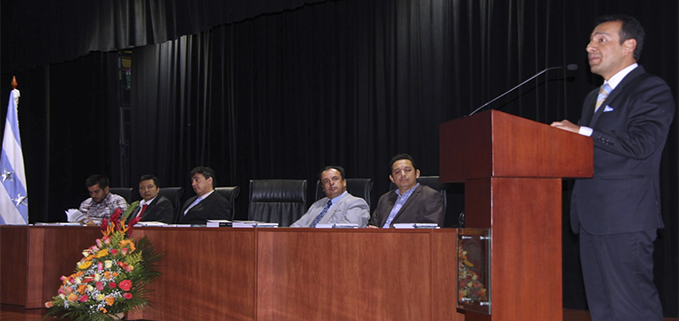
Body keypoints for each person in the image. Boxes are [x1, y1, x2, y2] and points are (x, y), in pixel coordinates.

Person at [551, 14, 674, 321]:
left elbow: (641, 145)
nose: (589, 46)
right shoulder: (594, 97)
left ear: (628, 46)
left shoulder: (650, 88)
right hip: (592, 218)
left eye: (601, 39)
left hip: (625, 218)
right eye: (590, 40)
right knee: (603, 310)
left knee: (632, 308)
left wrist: (582, 133)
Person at [368, 154, 445, 228]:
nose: (403, 174)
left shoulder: (430, 196)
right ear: (392, 178)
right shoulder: (385, 198)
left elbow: (431, 229)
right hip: (378, 239)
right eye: (397, 172)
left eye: (407, 170)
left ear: (417, 174)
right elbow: (373, 225)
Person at [291, 166, 370, 227]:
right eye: (326, 181)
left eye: (335, 179)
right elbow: (296, 227)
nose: (331, 183)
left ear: (344, 182)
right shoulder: (317, 205)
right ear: (323, 187)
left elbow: (347, 232)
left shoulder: (355, 203)